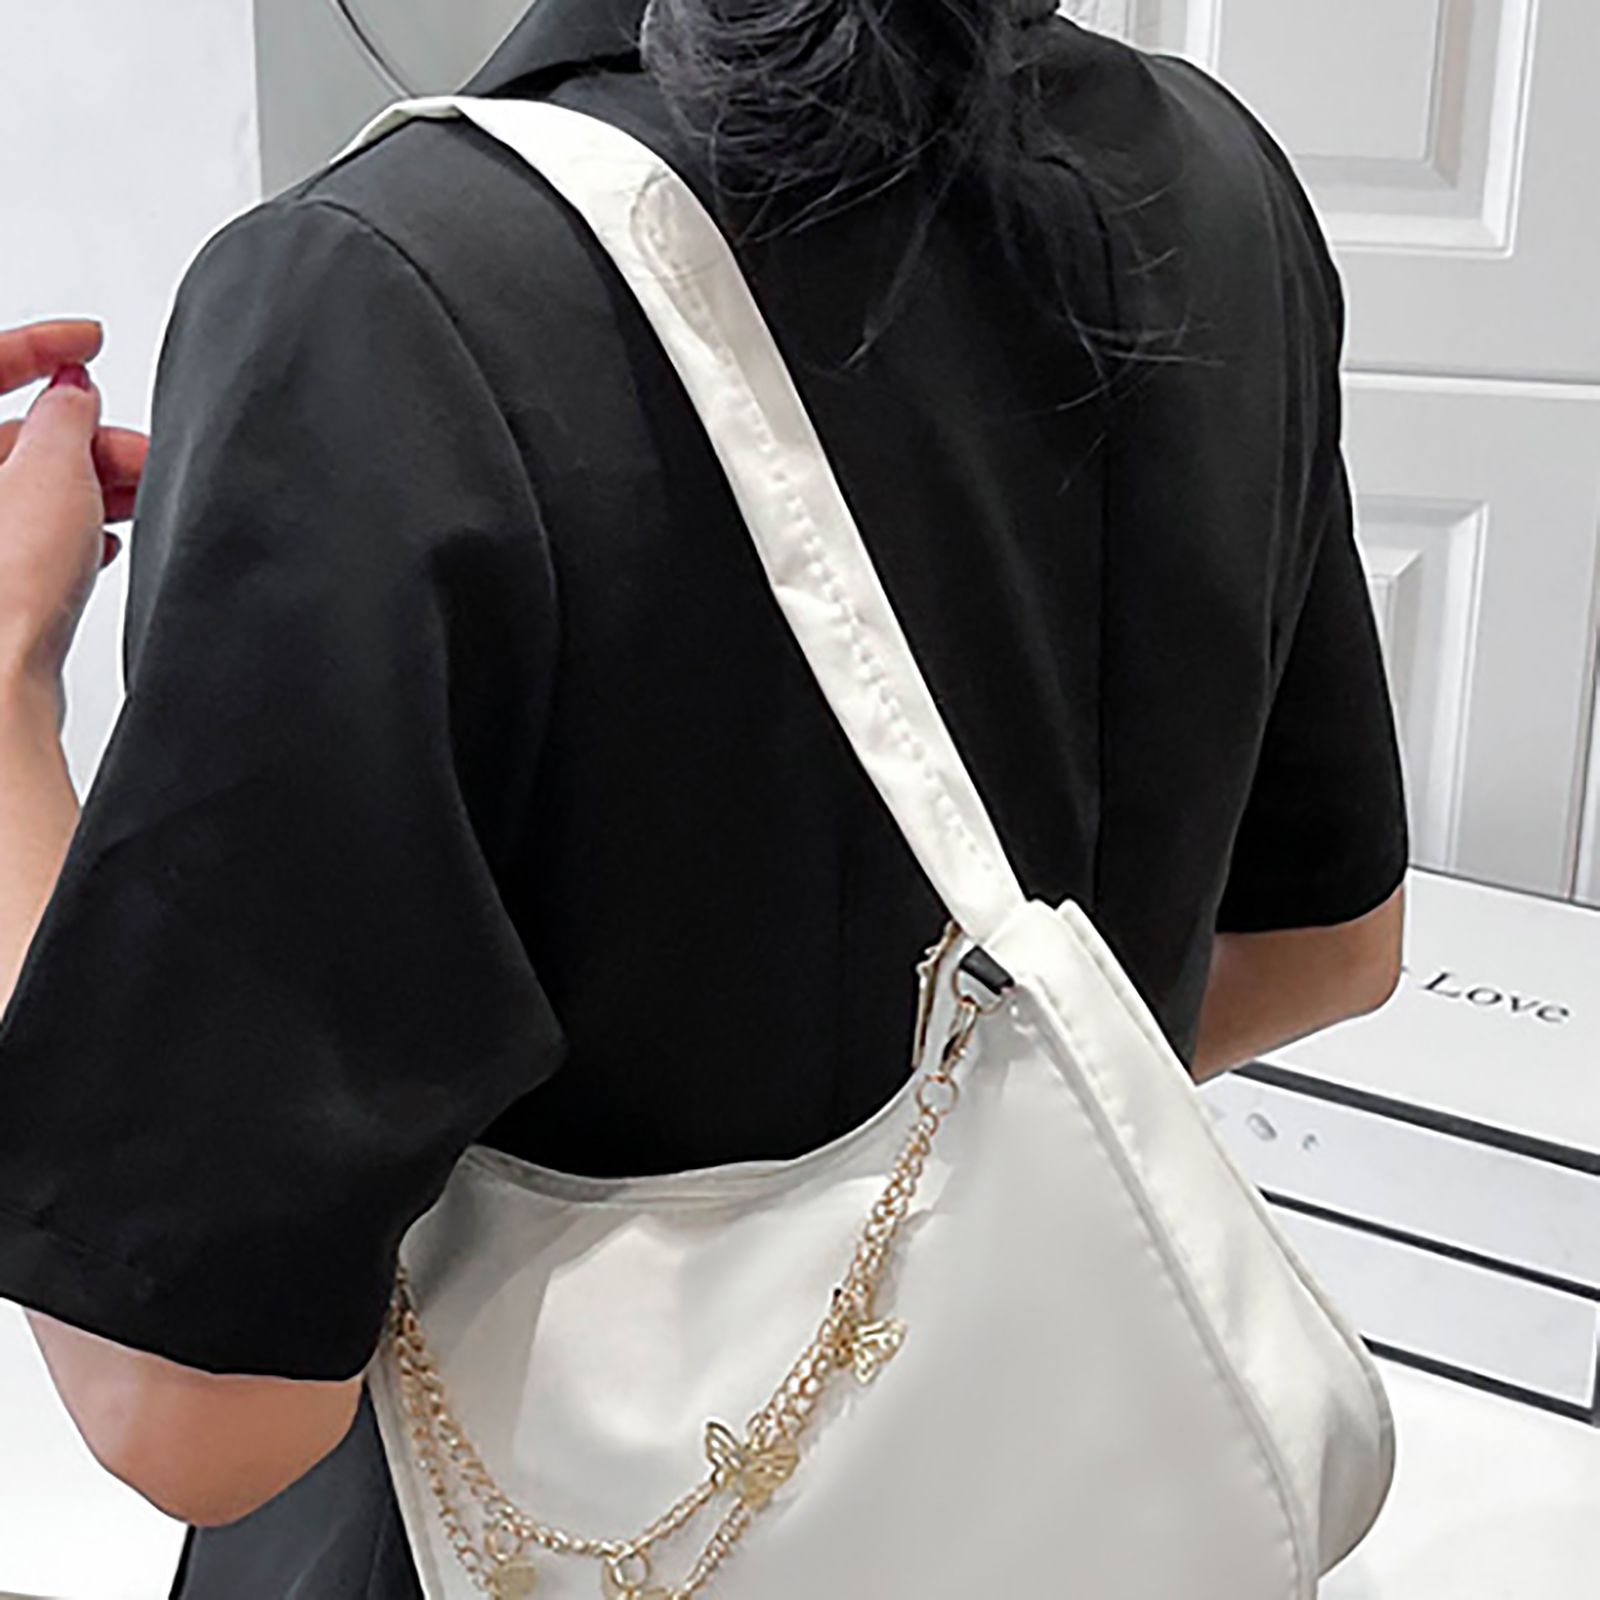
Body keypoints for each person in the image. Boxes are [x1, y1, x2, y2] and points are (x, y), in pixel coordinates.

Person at [0, 0, 1408, 1594]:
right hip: (1071, 1509)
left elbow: (187, 1403)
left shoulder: (393, 293)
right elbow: (1324, 949)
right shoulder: (1211, 180)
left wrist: (5, 692)